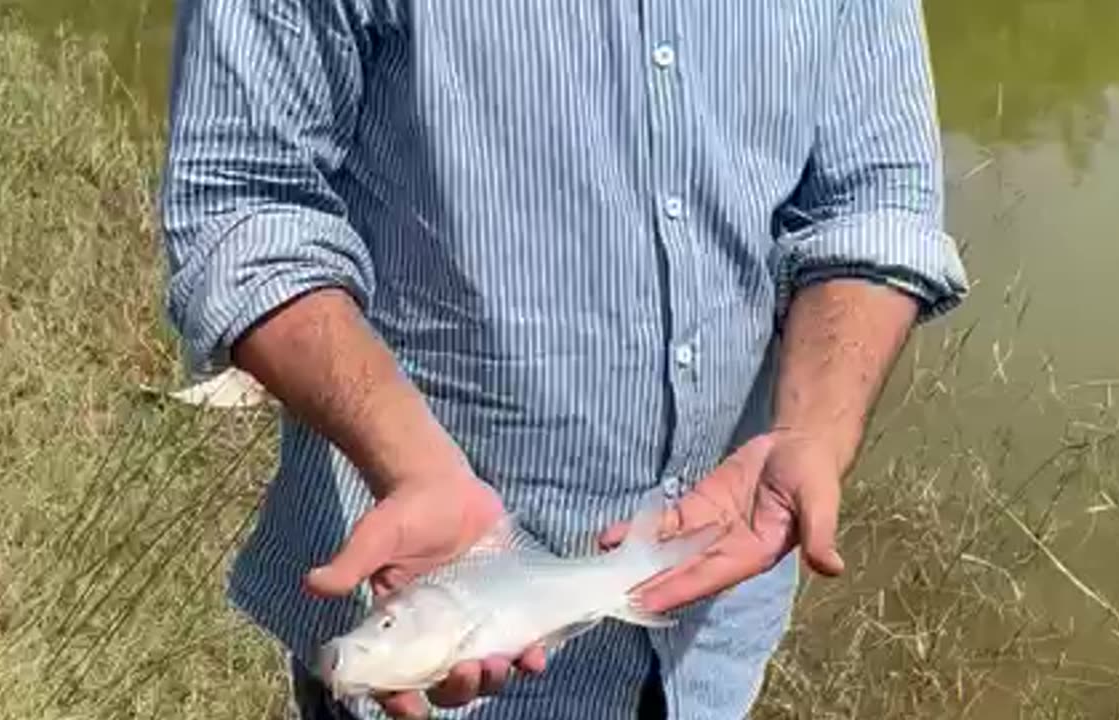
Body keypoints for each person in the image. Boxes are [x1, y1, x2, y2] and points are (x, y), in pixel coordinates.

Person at [158, 1, 968, 718]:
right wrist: (407, 461)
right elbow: (245, 206)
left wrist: (815, 430)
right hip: (418, 606)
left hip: (708, 635)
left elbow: (873, 201)